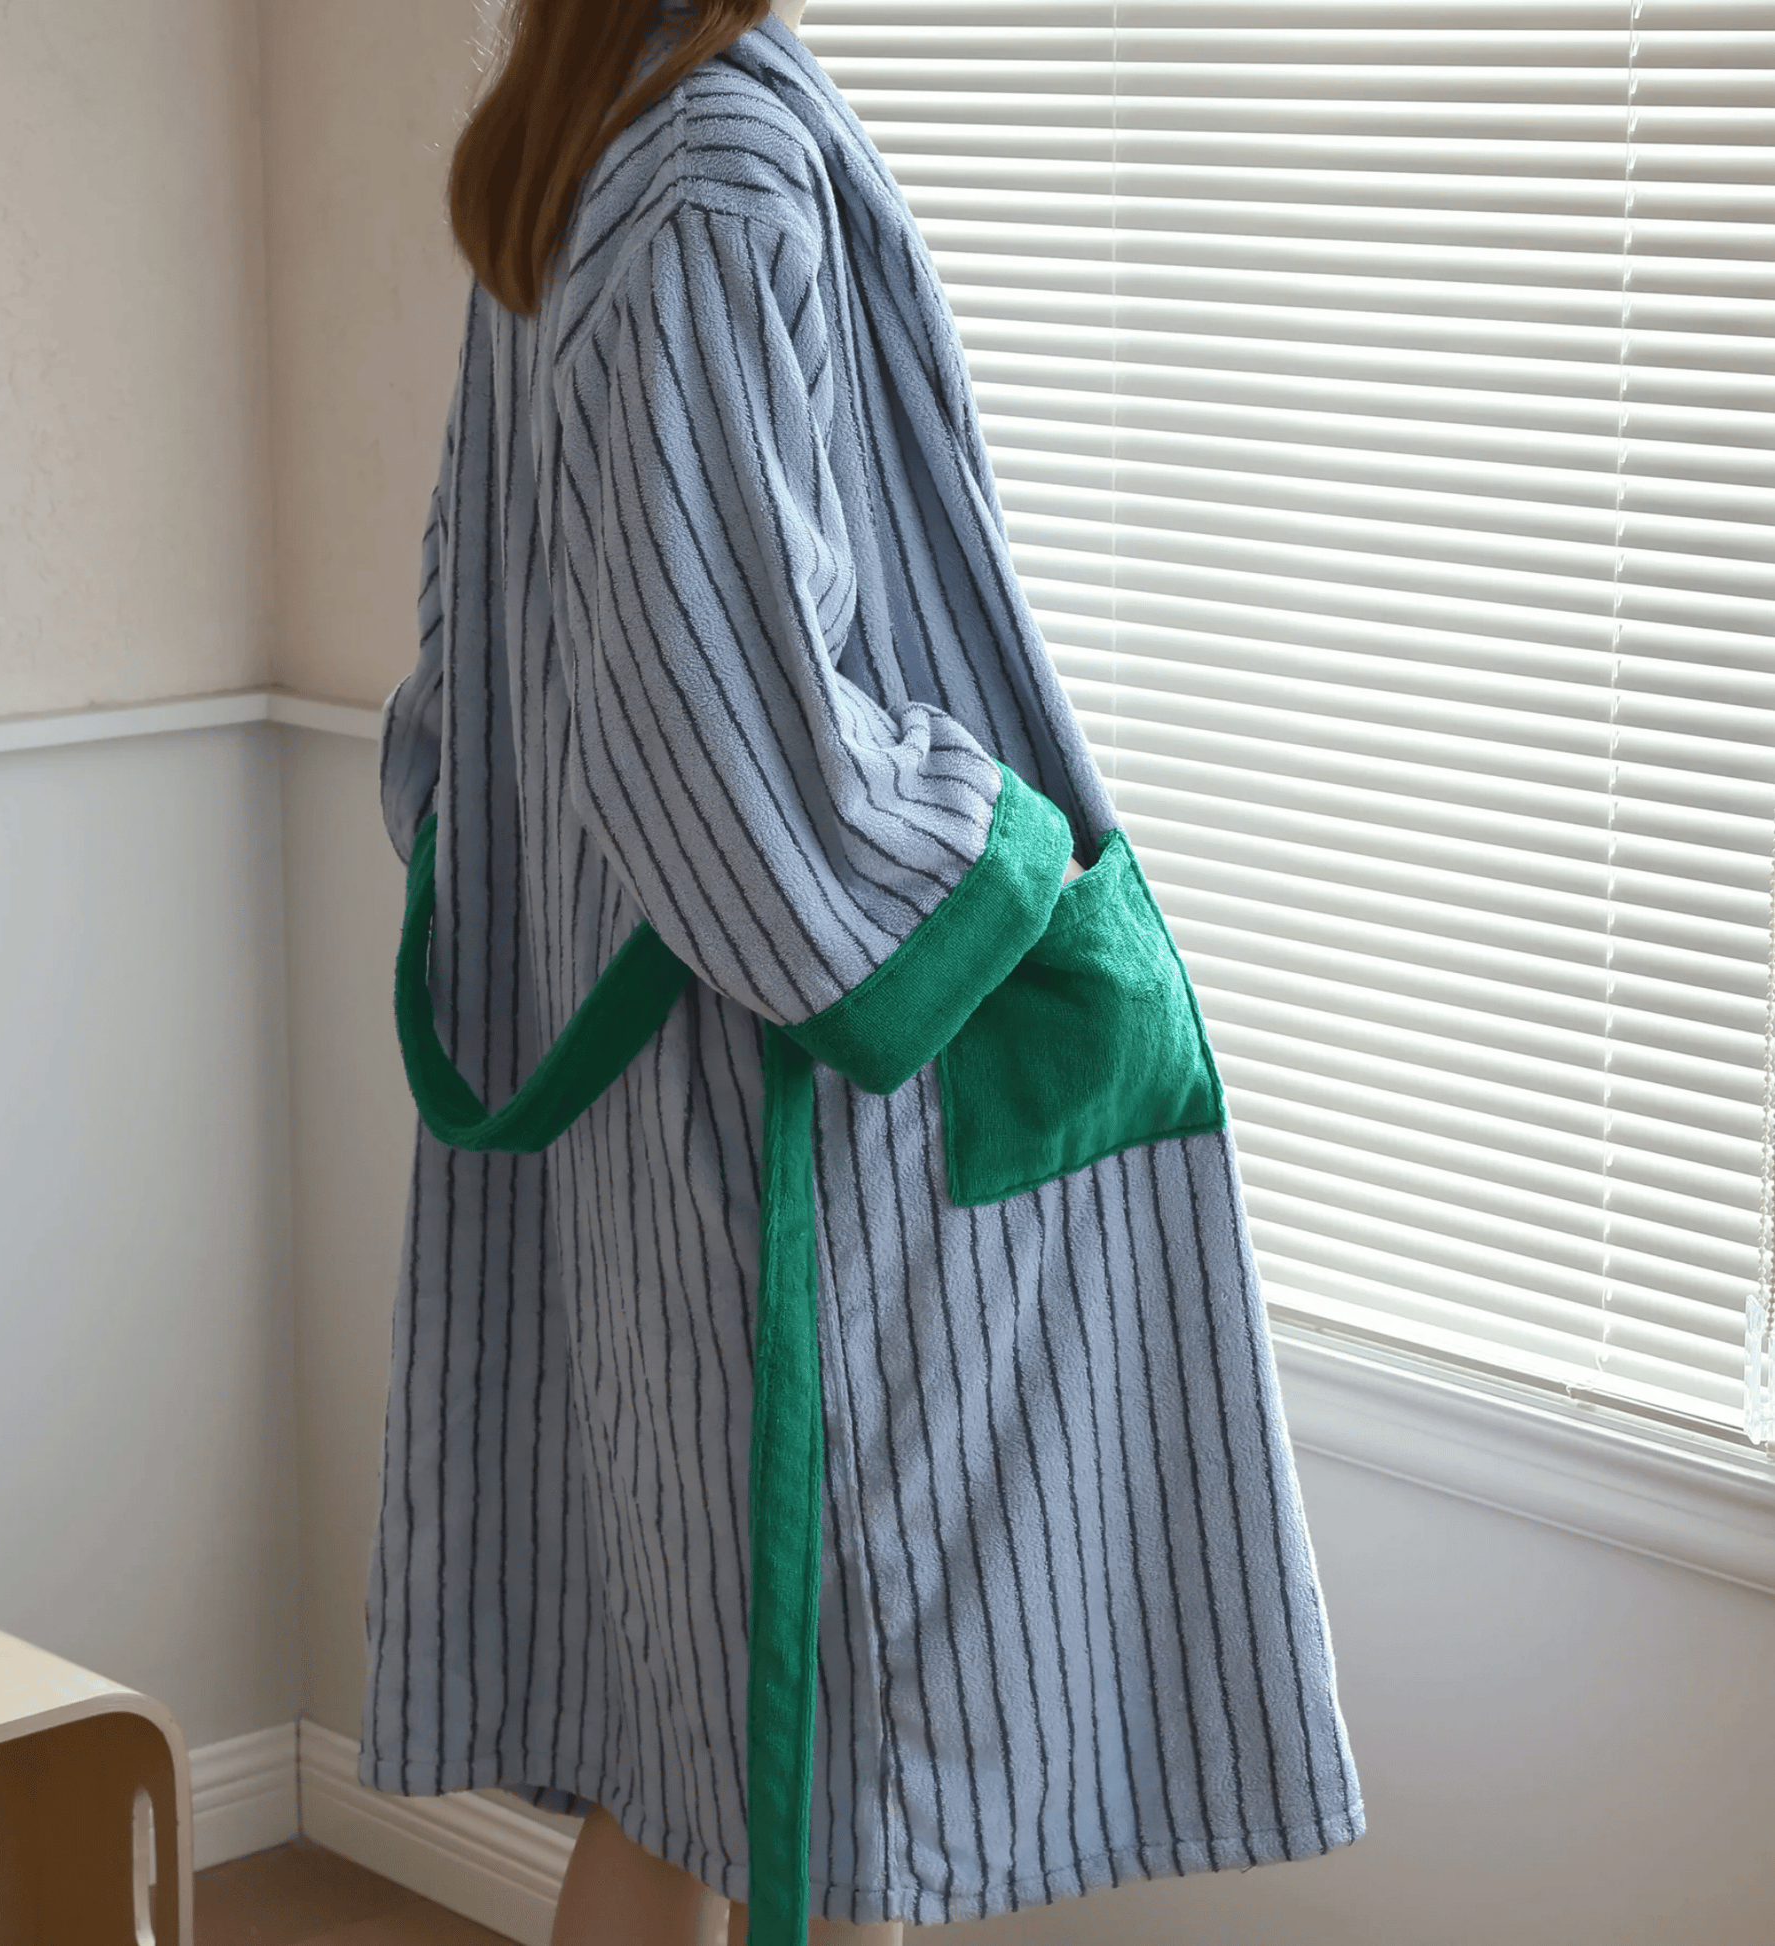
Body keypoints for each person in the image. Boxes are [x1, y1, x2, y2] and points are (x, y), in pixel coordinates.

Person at [367, 3, 1365, 1943]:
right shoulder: (709, 170)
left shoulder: (588, 150)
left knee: (699, 1755)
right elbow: (724, 747)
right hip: (784, 1131)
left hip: (650, 1103)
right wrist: (1001, 861)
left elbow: (483, 671)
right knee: (842, 1767)